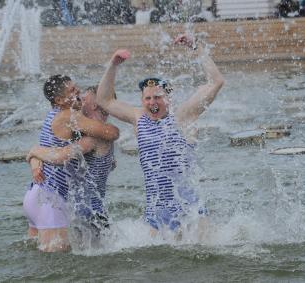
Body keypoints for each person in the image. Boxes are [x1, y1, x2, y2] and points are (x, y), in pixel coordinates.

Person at [96, 34, 224, 236]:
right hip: (156, 210)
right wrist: (113, 65)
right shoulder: (139, 118)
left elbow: (216, 82)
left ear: (168, 98)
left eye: (158, 97)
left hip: (188, 208)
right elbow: (104, 100)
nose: (152, 102)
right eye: (147, 98)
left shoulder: (182, 116)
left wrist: (196, 47)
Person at [23, 76, 119, 252]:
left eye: (78, 89)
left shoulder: (54, 116)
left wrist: (35, 158)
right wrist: (34, 152)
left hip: (34, 195)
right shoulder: (70, 116)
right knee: (55, 266)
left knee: (36, 257)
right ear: (59, 100)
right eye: (73, 91)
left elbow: (46, 150)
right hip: (51, 200)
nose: (78, 94)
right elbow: (111, 132)